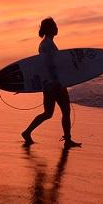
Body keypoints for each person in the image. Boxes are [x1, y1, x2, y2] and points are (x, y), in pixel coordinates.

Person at [21, 18, 81, 148]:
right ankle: (67, 140)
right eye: (55, 26)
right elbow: (49, 66)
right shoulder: (46, 45)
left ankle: (28, 132)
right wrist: (58, 81)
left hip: (50, 84)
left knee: (50, 113)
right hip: (54, 84)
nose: (57, 28)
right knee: (61, 111)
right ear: (49, 29)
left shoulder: (48, 44)